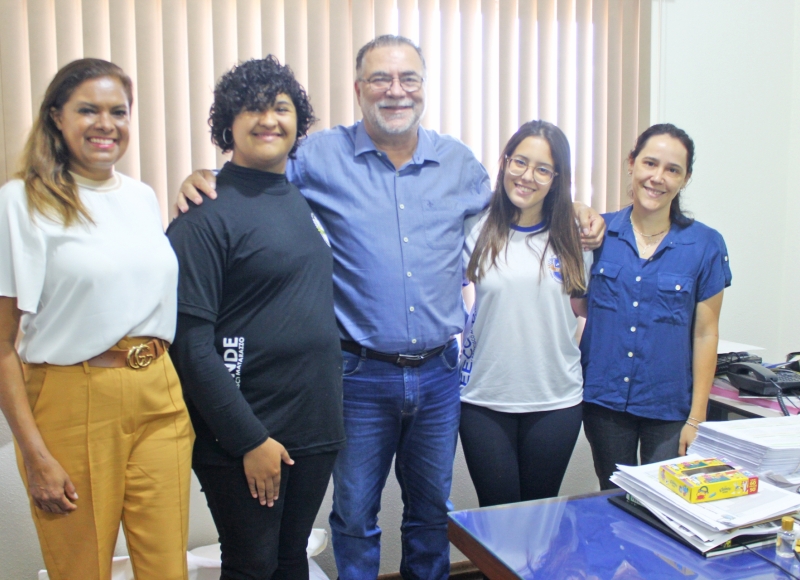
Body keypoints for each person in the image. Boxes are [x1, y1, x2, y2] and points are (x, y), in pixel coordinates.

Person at [176, 35, 605, 580]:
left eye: (408, 79)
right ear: (358, 89)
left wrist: (583, 212)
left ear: (424, 89)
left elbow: (518, 206)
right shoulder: (317, 158)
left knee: (430, 516)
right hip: (357, 376)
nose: (395, 91)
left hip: (439, 376)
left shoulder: (459, 164)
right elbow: (255, 175)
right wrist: (205, 177)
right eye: (380, 79)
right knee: (354, 515)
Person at [0, 59, 193, 580]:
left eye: (118, 111)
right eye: (88, 110)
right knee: (81, 569)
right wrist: (35, 454)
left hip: (160, 392)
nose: (106, 123)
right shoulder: (19, 203)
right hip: (73, 396)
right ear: (56, 118)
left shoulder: (140, 196)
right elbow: (1, 348)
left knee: (166, 570)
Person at [167, 56, 345, 580]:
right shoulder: (203, 214)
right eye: (252, 108)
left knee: (291, 561)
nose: (269, 119)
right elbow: (192, 347)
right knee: (252, 565)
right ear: (228, 124)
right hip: (245, 431)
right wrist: (249, 439)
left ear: (298, 123)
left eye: (281, 108)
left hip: (313, 426)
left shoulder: (299, 199)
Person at [580, 123, 731, 490]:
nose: (657, 177)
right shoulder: (598, 233)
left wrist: (697, 418)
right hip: (604, 401)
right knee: (612, 496)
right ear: (631, 164)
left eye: (672, 169)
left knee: (664, 510)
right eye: (650, 163)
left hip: (669, 408)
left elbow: (706, 332)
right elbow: (574, 303)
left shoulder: (705, 244)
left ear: (685, 178)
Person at [459, 120, 590, 508]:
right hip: (483, 399)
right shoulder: (473, 227)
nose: (527, 176)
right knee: (498, 520)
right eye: (520, 162)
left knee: (538, 518)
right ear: (505, 163)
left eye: (542, 169)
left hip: (555, 400)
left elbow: (587, 306)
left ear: (556, 178)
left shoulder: (578, 235)